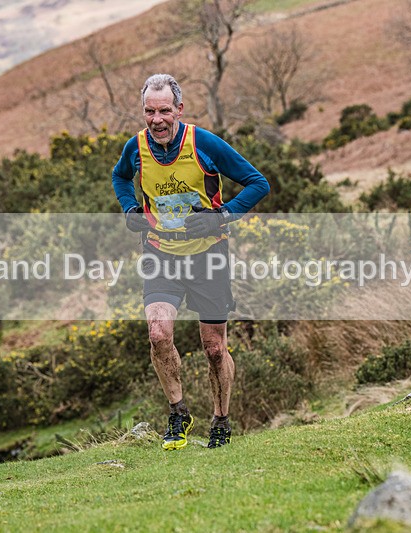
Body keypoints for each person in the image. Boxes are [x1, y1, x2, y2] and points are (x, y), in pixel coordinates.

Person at [112, 73, 270, 450]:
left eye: (164, 110)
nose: (157, 119)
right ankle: (179, 412)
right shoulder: (135, 148)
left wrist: (223, 214)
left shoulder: (203, 143)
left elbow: (258, 183)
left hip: (208, 256)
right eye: (149, 112)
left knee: (214, 348)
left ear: (179, 109)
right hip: (160, 254)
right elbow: (120, 178)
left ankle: (221, 419)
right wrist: (129, 208)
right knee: (158, 334)